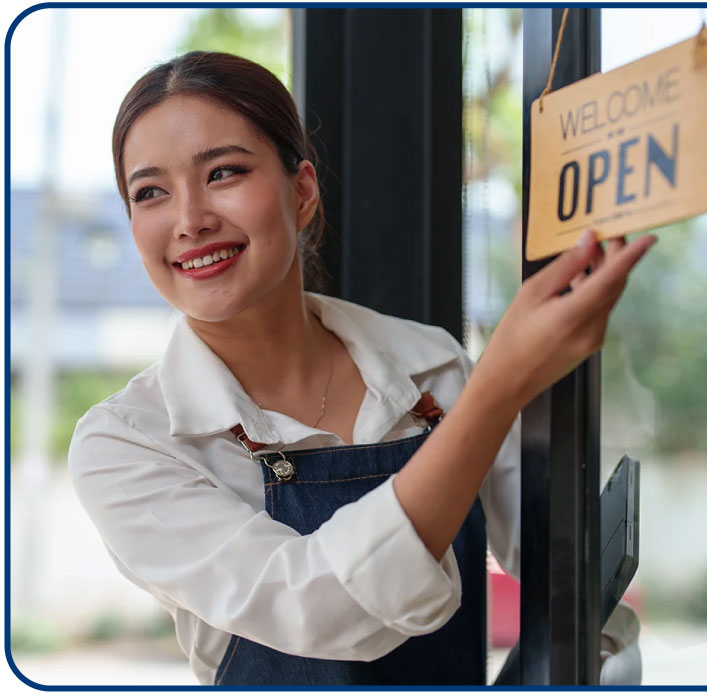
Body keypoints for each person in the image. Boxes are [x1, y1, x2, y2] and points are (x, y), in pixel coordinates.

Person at [68, 51, 653, 686]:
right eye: (150, 192)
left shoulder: (429, 365)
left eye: (224, 173)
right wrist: (501, 383)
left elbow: (563, 575)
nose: (188, 221)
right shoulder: (126, 443)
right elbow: (321, 608)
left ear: (302, 192)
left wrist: (596, 655)